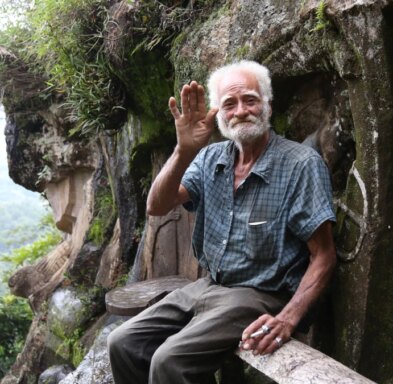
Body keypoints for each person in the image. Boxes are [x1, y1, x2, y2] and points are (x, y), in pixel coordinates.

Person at [108, 60, 336, 384]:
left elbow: (324, 256)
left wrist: (287, 319)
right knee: (123, 343)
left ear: (268, 106)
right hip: (209, 286)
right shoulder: (210, 158)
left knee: (169, 361)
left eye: (250, 100)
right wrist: (182, 151)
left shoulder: (300, 164)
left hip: (261, 294)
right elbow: (157, 206)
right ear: (218, 113)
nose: (241, 110)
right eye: (230, 103)